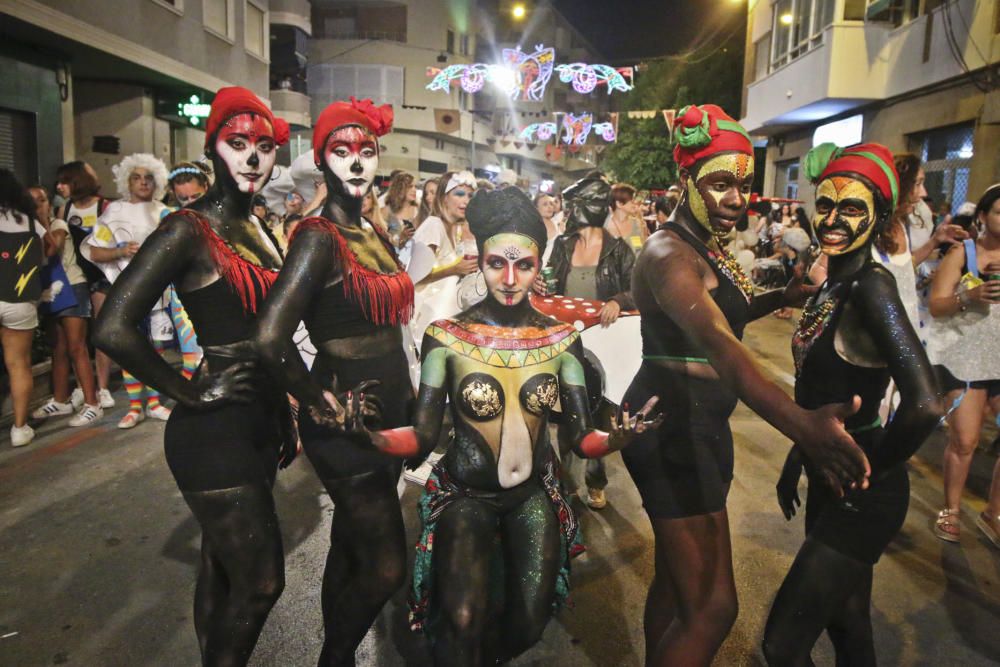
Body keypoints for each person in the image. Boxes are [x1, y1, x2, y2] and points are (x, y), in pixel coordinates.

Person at [352, 187, 660, 665]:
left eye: (525, 266)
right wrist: (368, 437)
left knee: (532, 617)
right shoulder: (447, 338)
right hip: (465, 494)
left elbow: (582, 437)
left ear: (540, 268)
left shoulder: (560, 340)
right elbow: (423, 436)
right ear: (480, 262)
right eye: (498, 263)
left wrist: (614, 440)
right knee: (461, 617)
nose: (511, 278)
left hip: (532, 496)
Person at [621, 104, 870, 667]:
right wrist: (802, 425)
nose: (737, 197)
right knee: (713, 608)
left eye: (744, 184)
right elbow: (723, 347)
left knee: (675, 585)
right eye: (720, 184)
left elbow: (727, 311)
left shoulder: (702, 243)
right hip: (671, 430)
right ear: (686, 182)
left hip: (697, 427)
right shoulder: (668, 253)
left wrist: (779, 298)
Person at [94, 86, 293, 666]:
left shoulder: (259, 228)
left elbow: (268, 333)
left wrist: (284, 415)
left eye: (263, 145)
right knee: (261, 583)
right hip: (213, 432)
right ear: (214, 151)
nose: (253, 157)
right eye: (238, 144)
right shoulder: (187, 229)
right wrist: (187, 388)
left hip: (257, 421)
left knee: (218, 563)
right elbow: (113, 326)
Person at [762, 142, 943, 665]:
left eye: (852, 208)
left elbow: (926, 404)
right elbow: (826, 392)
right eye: (825, 205)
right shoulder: (833, 282)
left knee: (782, 644)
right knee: (847, 621)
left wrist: (869, 475)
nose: (834, 219)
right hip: (828, 475)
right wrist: (802, 454)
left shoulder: (871, 287)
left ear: (881, 215)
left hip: (861, 490)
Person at [255, 96, 413, 666]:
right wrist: (315, 398)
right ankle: (336, 655)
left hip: (390, 406)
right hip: (344, 421)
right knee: (388, 563)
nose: (354, 162)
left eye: (365, 151)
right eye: (340, 151)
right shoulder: (318, 236)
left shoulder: (370, 227)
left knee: (351, 541)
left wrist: (412, 396)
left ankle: (337, 654)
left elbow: (390, 328)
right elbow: (270, 337)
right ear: (321, 161)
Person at [539, 176, 636, 510]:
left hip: (603, 346)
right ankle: (566, 482)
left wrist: (619, 300)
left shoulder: (619, 249)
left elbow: (637, 287)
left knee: (598, 417)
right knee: (566, 415)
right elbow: (549, 280)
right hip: (565, 345)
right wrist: (540, 285)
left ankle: (596, 480)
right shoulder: (563, 245)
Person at [927, 183, 1000, 546]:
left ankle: (994, 512)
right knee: (966, 441)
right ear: (983, 217)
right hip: (967, 359)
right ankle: (951, 510)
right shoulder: (962, 253)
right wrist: (968, 296)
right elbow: (936, 305)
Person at [82, 154, 174, 429]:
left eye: (149, 177)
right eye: (137, 177)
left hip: (160, 293)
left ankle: (155, 403)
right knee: (128, 348)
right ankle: (136, 407)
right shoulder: (114, 213)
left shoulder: (164, 212)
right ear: (127, 181)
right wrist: (120, 251)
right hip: (125, 293)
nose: (144, 182)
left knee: (156, 349)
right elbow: (93, 250)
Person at [28, 185, 103, 427]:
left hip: (73, 286)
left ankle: (93, 403)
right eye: (32, 201)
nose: (38, 205)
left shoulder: (57, 225)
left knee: (76, 347)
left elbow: (51, 250)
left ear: (49, 203)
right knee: (58, 348)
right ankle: (61, 400)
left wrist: (41, 220)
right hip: (49, 292)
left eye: (41, 200)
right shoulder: (25, 229)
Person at [55, 160, 116, 410]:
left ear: (77, 181)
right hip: (78, 277)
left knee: (100, 332)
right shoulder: (65, 209)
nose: (59, 187)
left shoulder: (104, 206)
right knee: (76, 338)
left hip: (103, 275)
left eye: (64, 182)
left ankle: (102, 388)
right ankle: (83, 386)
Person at [0, 170, 49, 447]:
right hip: (19, 300)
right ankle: (20, 429)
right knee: (19, 365)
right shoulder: (31, 223)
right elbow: (42, 259)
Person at [409, 171, 479, 346]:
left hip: (446, 314)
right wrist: (454, 269)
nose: (466, 200)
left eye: (470, 195)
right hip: (427, 317)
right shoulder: (434, 225)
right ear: (444, 198)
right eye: (459, 194)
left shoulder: (455, 230)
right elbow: (413, 278)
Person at [605, 182, 647, 253]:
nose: (635, 204)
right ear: (619, 204)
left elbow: (639, 250)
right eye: (632, 201)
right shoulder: (605, 226)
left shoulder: (636, 224)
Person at [382, 170, 419, 248]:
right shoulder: (386, 211)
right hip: (394, 257)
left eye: (415, 186)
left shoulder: (419, 209)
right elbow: (381, 240)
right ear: (399, 189)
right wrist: (400, 238)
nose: (414, 190)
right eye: (410, 187)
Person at [533, 192, 562, 263]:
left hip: (556, 269)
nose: (549, 207)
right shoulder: (533, 227)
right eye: (545, 204)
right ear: (536, 208)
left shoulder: (558, 224)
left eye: (551, 204)